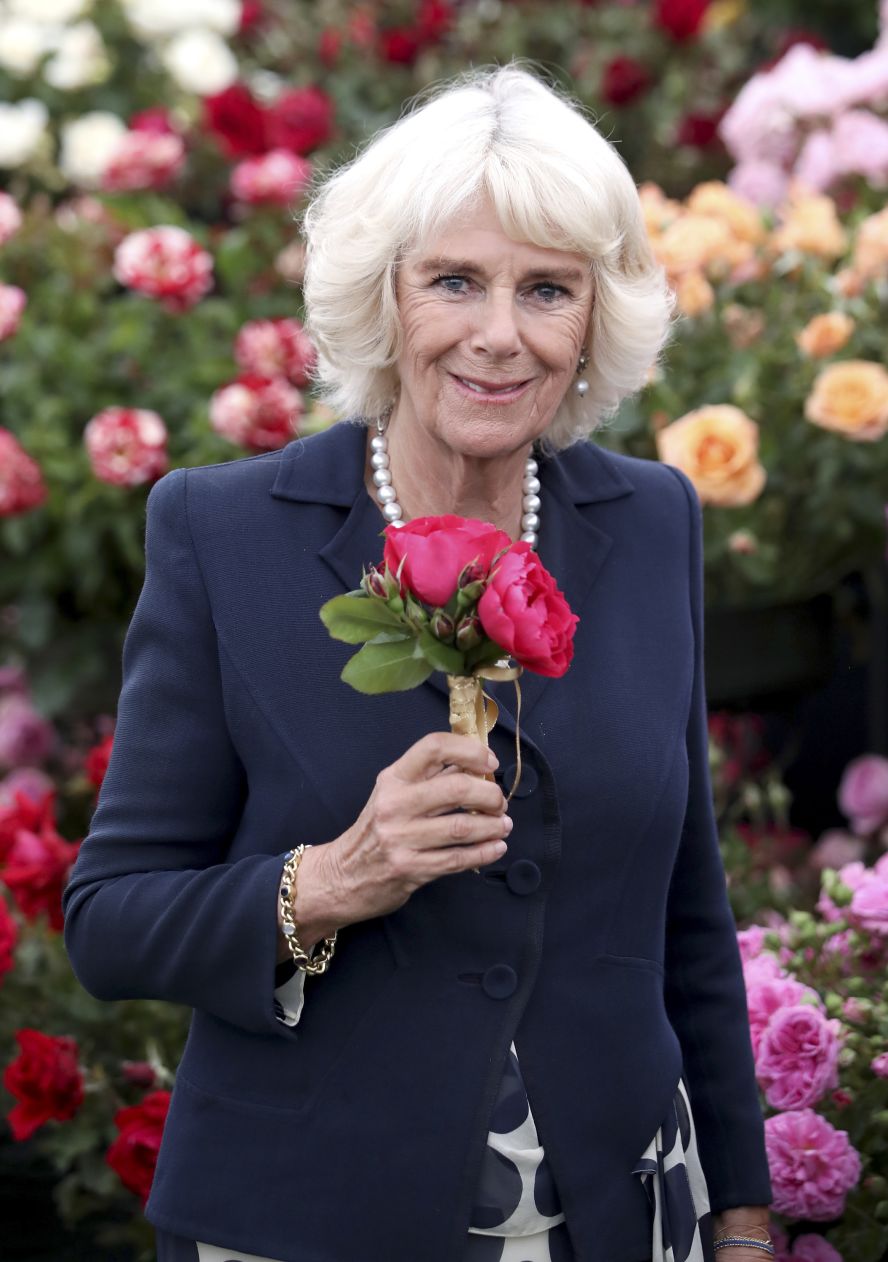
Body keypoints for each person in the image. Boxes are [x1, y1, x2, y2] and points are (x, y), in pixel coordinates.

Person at [63, 65, 773, 1262]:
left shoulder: (652, 520)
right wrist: (331, 878)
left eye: (546, 289)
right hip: (308, 1215)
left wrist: (744, 1217)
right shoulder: (224, 534)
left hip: (617, 1215)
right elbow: (110, 919)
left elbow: (686, 906)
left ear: (594, 319)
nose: (499, 333)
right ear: (387, 303)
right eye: (454, 280)